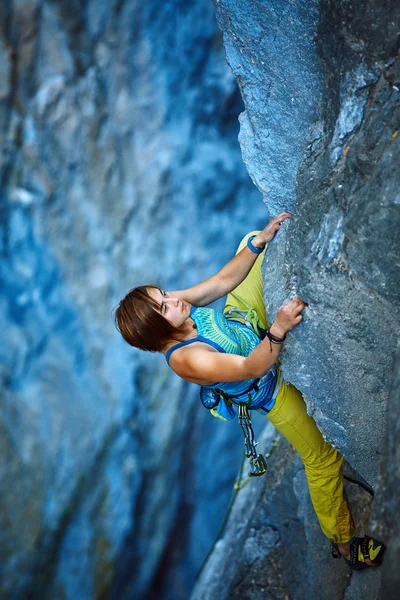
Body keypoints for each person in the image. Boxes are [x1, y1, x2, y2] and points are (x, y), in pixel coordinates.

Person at [114, 213, 385, 570]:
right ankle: (346, 544)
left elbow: (221, 282)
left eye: (163, 294)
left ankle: (258, 244)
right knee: (322, 460)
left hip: (242, 323)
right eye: (164, 305)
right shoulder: (189, 360)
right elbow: (253, 368)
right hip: (268, 386)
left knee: (251, 240)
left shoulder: (172, 312)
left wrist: (260, 243)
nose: (173, 299)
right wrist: (280, 328)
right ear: (156, 331)